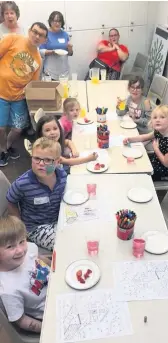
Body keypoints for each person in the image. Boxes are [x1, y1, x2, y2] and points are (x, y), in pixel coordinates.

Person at [0, 21, 48, 167]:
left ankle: (5, 147)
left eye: (41, 35)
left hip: (19, 97)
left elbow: (32, 84)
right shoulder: (13, 39)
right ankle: (2, 151)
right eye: (35, 32)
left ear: (44, 40)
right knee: (1, 127)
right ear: (29, 31)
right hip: (1, 93)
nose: (36, 36)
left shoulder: (38, 59)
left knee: (17, 129)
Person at [7, 137, 67, 251]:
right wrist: (19, 227)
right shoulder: (22, 184)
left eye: (48, 160)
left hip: (59, 218)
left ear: (58, 162)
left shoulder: (62, 175)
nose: (41, 164)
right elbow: (11, 201)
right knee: (64, 244)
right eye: (37, 158)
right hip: (36, 227)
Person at [0, 215, 50, 333]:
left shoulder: (26, 252)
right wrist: (48, 330)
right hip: (51, 310)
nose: (20, 250)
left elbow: (40, 259)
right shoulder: (7, 290)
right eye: (10, 246)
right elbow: (21, 320)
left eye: (22, 241)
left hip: (58, 285)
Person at [123, 105, 168, 181]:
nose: (157, 120)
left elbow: (167, 163)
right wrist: (130, 139)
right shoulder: (159, 131)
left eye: (162, 117)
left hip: (164, 172)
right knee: (133, 164)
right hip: (156, 162)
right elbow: (144, 137)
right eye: (155, 118)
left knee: (137, 174)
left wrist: (156, 149)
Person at [40, 11, 73, 80]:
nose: (57, 23)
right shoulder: (46, 34)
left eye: (59, 21)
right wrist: (53, 52)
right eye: (55, 21)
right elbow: (41, 52)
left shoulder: (65, 34)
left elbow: (70, 54)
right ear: (50, 22)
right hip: (50, 73)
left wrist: (70, 48)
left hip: (64, 73)